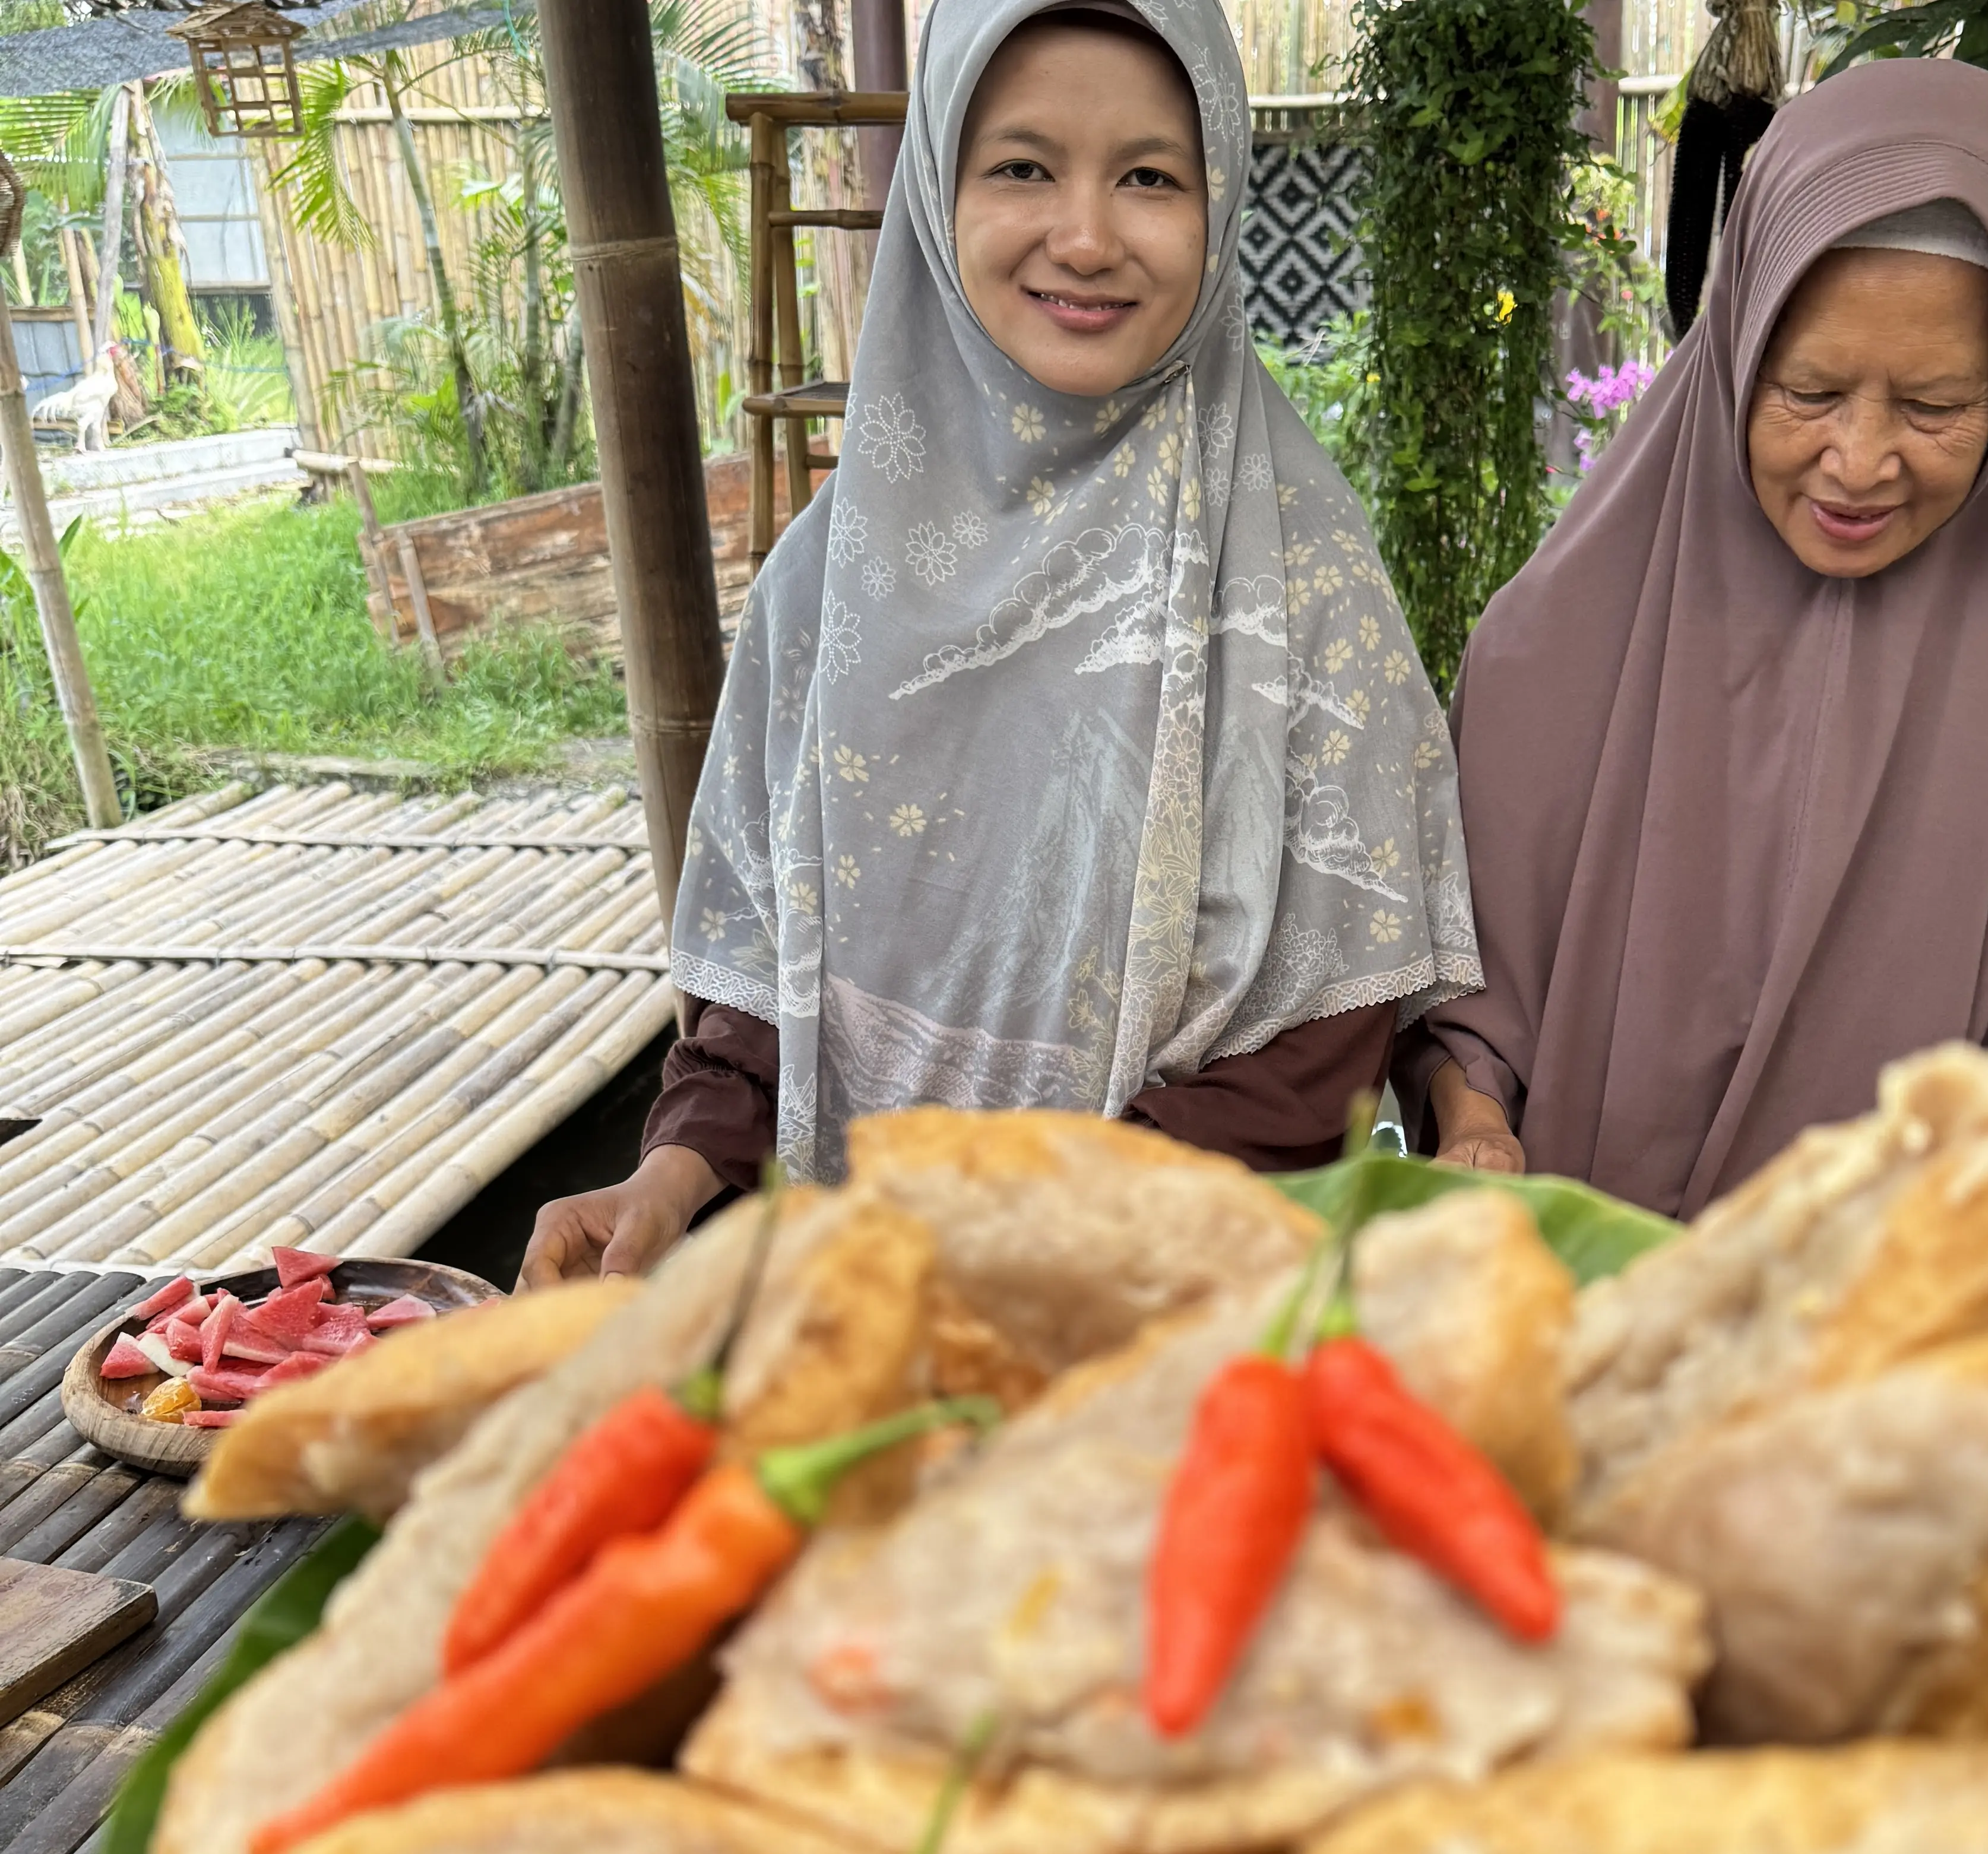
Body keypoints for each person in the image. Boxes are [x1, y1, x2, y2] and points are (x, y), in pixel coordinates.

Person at [524, 0, 1475, 1284]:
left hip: (1192, 1319)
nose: (1084, 238)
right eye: (1023, 167)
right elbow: (766, 972)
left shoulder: (1295, 579)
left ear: (1221, 201)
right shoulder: (828, 587)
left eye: (1150, 177)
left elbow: (1329, 1025)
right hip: (867, 1320)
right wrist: (677, 1164)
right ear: (936, 189)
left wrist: (1026, 1244)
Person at [1402, 58, 1988, 1219]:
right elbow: (1459, 1006)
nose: (1859, 463)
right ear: (1736, 352)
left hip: (1884, 1314)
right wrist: (1473, 1125)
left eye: (1935, 407)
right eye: (1808, 391)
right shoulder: (1547, 655)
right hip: (1572, 1296)